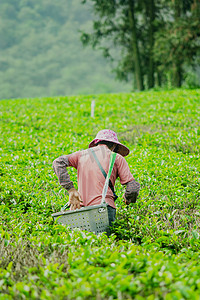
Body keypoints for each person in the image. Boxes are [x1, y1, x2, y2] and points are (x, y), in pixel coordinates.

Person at [53, 129, 140, 226]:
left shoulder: (81, 155)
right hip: (105, 209)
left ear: (96, 143)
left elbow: (58, 163)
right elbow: (133, 187)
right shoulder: (117, 158)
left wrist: (71, 189)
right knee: (105, 239)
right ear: (114, 145)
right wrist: (128, 198)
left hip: (80, 210)